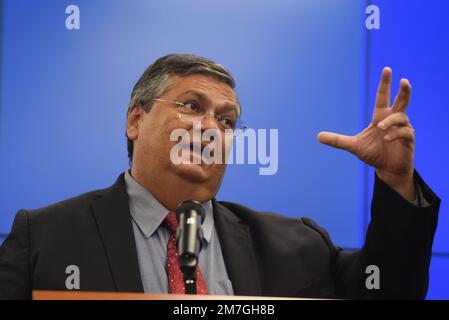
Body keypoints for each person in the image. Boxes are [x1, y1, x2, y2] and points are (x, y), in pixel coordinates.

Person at [0, 54, 440, 299]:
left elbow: (388, 292)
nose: (211, 128)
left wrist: (396, 182)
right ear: (135, 120)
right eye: (191, 106)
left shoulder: (299, 246)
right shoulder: (45, 238)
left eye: (227, 121)